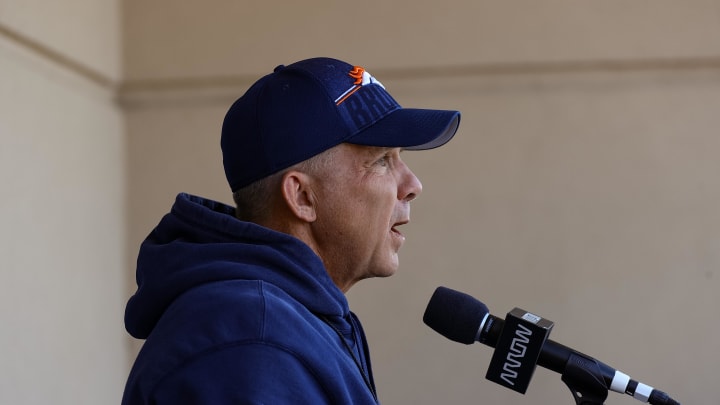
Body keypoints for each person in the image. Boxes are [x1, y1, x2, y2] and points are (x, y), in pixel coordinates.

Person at [121, 57, 461, 404]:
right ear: (302, 197)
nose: (413, 184)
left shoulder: (283, 324)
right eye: (381, 161)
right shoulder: (251, 343)